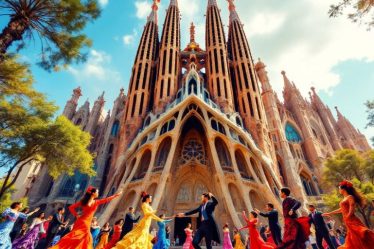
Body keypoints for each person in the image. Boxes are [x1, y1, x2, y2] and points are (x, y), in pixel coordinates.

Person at [49, 186, 122, 249]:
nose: (98, 193)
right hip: (86, 222)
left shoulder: (83, 201)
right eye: (97, 192)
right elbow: (107, 200)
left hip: (81, 221)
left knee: (77, 237)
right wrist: (116, 195)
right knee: (85, 238)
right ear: (93, 193)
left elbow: (71, 207)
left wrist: (76, 215)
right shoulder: (95, 202)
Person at [322, 180, 374, 249]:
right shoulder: (344, 199)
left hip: (352, 220)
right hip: (348, 220)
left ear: (343, 189)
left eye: (339, 189)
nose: (339, 190)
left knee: (359, 234)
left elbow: (352, 206)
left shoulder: (350, 197)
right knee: (354, 237)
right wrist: (329, 213)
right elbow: (341, 209)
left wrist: (348, 216)